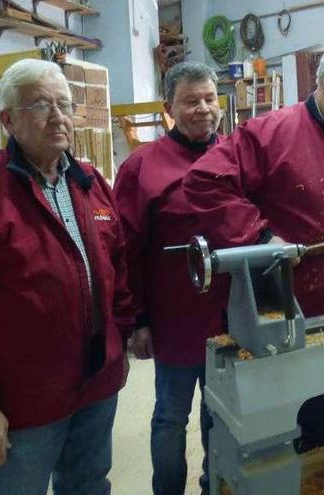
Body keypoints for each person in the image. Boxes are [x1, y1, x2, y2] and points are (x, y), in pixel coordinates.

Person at [0, 58, 134, 495]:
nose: (58, 116)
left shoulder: (90, 183)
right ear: (8, 120)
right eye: (39, 105)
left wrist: (119, 341)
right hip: (23, 404)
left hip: (97, 388)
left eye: (64, 104)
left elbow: (118, 272)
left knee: (89, 485)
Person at [183, 32, 324, 453]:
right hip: (290, 322)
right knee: (302, 433)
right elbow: (204, 183)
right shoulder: (269, 134)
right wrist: (261, 237)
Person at [113, 61, 227, 495]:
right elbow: (125, 252)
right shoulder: (142, 167)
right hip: (173, 323)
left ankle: (214, 486)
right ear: (169, 107)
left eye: (209, 98)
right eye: (190, 100)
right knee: (170, 417)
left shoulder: (236, 155)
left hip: (230, 320)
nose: (202, 108)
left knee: (221, 416)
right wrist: (136, 320)